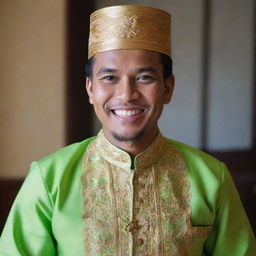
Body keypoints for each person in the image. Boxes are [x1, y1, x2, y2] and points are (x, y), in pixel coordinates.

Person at [0, 5, 255, 256]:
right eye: (109, 78)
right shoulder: (49, 179)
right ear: (90, 89)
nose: (126, 94)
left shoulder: (211, 177)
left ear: (168, 88)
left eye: (144, 77)